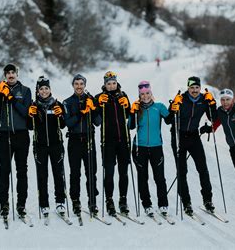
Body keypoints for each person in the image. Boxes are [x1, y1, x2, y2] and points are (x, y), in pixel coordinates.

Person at [165, 76, 216, 215]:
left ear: (200, 88)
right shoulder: (181, 99)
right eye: (192, 88)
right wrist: (172, 107)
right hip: (178, 136)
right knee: (182, 171)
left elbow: (213, 118)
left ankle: (208, 200)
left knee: (203, 169)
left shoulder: (204, 100)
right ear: (188, 88)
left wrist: (212, 104)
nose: (194, 90)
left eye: (197, 88)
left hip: (193, 136)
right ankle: (186, 202)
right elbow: (168, 120)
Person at [0, 64, 32, 218]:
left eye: (13, 72)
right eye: (7, 73)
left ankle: (21, 204)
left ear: (17, 74)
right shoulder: (1, 90)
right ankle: (4, 203)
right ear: (5, 75)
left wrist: (12, 98)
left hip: (21, 135)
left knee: (22, 170)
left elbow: (27, 113)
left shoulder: (25, 91)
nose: (10, 75)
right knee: (4, 170)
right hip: (5, 134)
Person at [129, 81, 170, 217]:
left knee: (159, 178)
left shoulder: (159, 107)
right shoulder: (136, 109)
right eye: (142, 94)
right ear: (139, 95)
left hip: (156, 147)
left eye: (147, 93)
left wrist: (175, 106)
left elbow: (170, 120)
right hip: (139, 148)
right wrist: (133, 112)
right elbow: (131, 127)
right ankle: (147, 204)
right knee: (143, 177)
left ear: (151, 93)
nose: (145, 96)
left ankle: (163, 204)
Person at [27, 76, 67, 217]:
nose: (44, 91)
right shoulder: (34, 106)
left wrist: (60, 115)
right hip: (40, 146)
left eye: (46, 88)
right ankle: (44, 204)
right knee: (42, 176)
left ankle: (60, 201)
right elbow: (29, 127)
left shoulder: (57, 104)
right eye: (41, 89)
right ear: (37, 91)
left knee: (58, 174)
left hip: (56, 145)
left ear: (50, 89)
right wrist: (30, 115)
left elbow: (63, 125)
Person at [63, 74, 101, 216]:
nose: (79, 86)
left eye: (81, 84)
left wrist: (93, 108)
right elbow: (67, 123)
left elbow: (98, 122)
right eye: (76, 84)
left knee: (91, 172)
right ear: (73, 85)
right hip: (74, 140)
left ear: (85, 85)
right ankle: (75, 201)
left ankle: (92, 202)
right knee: (75, 173)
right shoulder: (67, 102)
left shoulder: (91, 100)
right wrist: (81, 113)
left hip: (88, 139)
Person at [95, 71, 131, 216]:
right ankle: (109, 200)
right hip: (108, 141)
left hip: (123, 140)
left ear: (117, 83)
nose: (111, 86)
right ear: (104, 84)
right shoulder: (99, 97)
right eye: (108, 83)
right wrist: (98, 105)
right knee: (109, 172)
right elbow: (96, 121)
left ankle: (123, 200)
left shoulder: (123, 95)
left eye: (113, 83)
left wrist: (127, 105)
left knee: (123, 172)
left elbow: (128, 114)